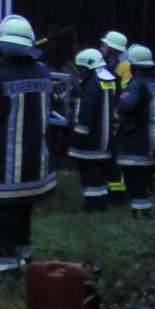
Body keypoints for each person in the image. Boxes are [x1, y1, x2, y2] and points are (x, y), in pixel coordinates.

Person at [0, 15, 56, 274]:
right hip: (35, 164)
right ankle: (26, 259)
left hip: (4, 167)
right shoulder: (44, 74)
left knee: (1, 218)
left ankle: (6, 269)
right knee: (24, 213)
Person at [115, 44, 155, 218]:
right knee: (147, 174)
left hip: (137, 140)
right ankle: (146, 208)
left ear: (133, 65)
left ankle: (140, 213)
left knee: (134, 177)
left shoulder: (137, 84)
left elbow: (126, 105)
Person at [68, 47, 118, 211]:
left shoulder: (92, 85)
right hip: (105, 138)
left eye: (80, 68)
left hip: (90, 140)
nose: (79, 72)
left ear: (87, 67)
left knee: (89, 173)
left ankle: (93, 205)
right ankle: (101, 201)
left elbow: (86, 111)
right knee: (99, 172)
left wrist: (77, 135)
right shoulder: (108, 81)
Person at [99, 29, 132, 206]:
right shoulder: (110, 64)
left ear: (112, 48)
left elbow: (124, 92)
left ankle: (119, 195)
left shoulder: (124, 66)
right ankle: (114, 192)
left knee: (116, 157)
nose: (102, 47)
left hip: (119, 117)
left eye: (105, 44)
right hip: (112, 115)